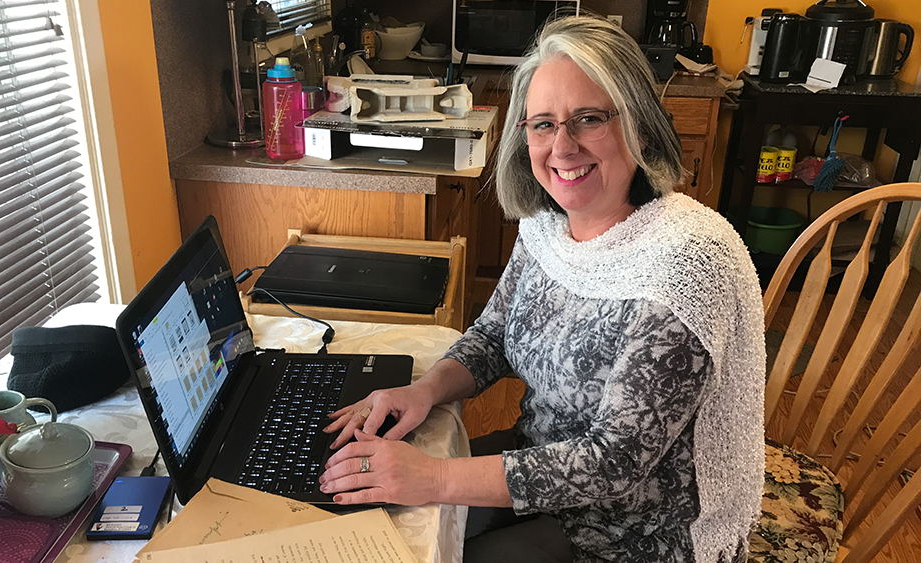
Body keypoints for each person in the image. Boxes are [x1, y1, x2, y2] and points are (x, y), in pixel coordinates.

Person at [319, 14, 765, 563]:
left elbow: (615, 462)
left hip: (638, 531)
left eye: (589, 119)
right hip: (539, 466)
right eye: (543, 125)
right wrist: (424, 391)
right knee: (368, 517)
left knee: (420, 541)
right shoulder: (547, 225)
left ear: (642, 127)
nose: (562, 147)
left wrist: (432, 477)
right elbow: (495, 335)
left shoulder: (688, 265)